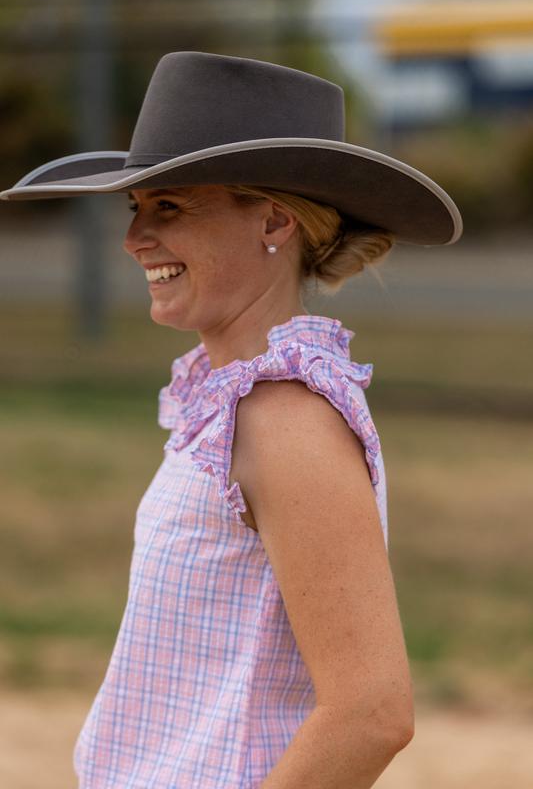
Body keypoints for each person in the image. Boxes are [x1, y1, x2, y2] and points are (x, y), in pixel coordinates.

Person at [1, 52, 462, 788]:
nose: (134, 239)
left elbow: (371, 711)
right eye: (137, 207)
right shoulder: (235, 402)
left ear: (274, 220)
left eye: (170, 208)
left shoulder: (285, 420)